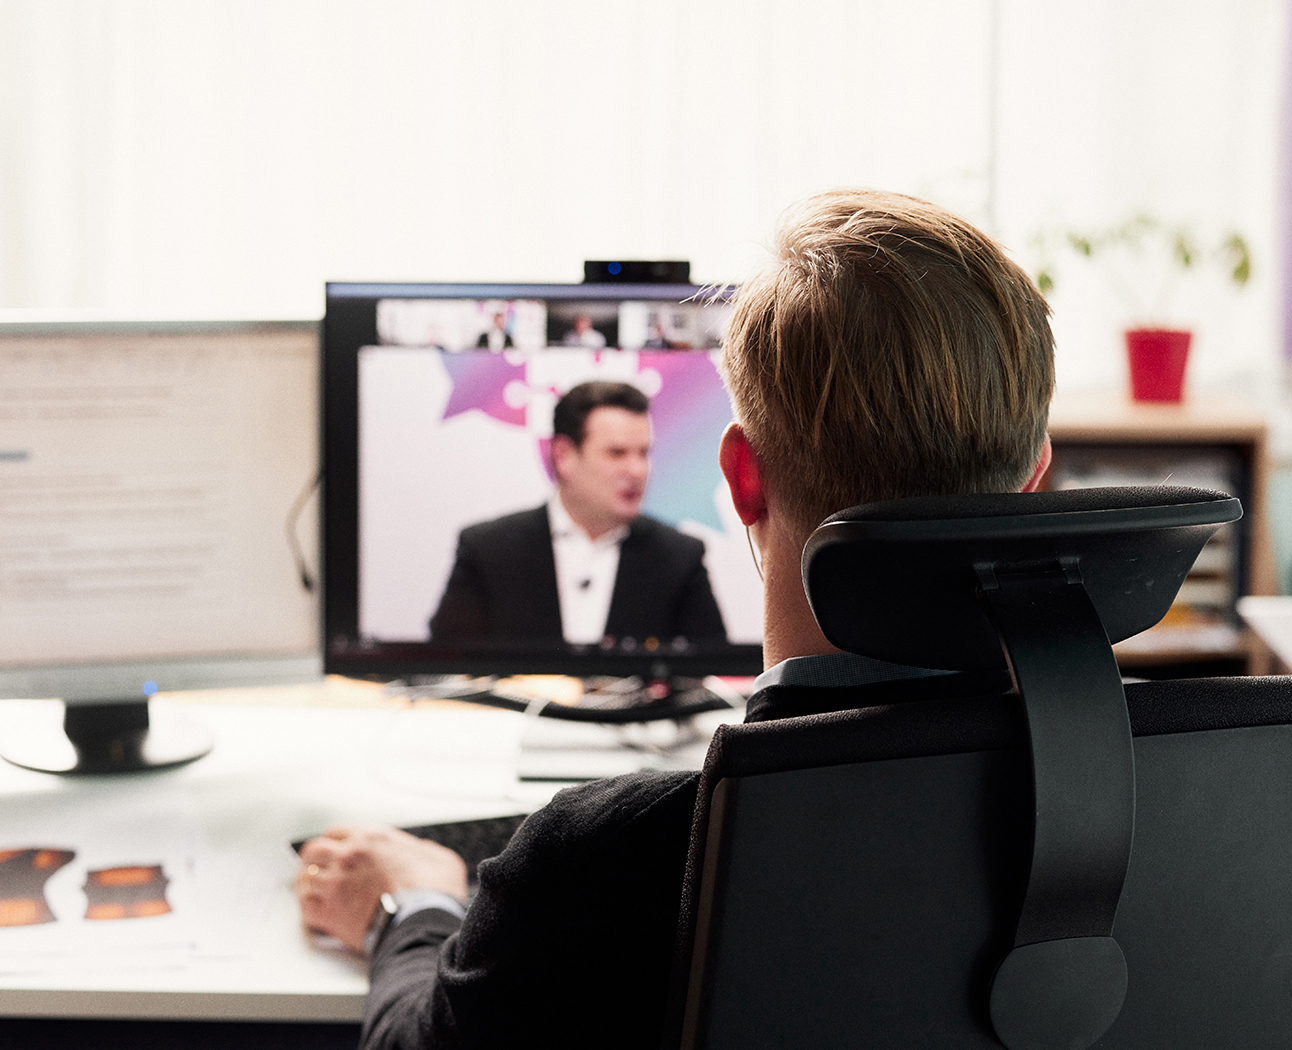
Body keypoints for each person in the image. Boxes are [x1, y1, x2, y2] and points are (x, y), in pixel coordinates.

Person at [297, 188, 1057, 1049]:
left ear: (742, 476)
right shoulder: (1149, 805)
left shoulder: (602, 862)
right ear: (1033, 479)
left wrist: (410, 908)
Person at [427, 380, 728, 648]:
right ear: (563, 456)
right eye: (617, 453)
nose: (638, 471)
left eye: (644, 453)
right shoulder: (488, 551)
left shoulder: (679, 557)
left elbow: (713, 668)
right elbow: (447, 667)